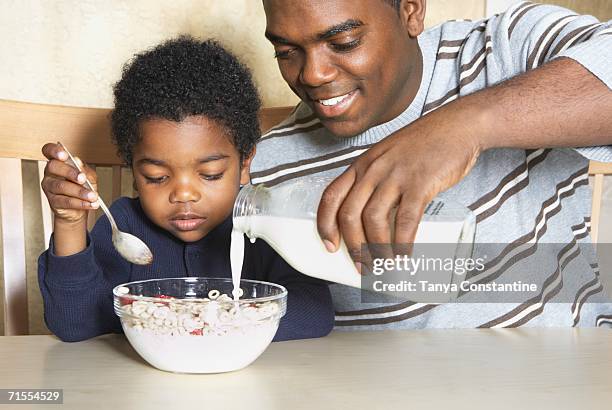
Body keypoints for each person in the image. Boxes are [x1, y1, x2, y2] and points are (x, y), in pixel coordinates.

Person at [252, 0, 612, 329]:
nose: (313, 74)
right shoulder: (269, 175)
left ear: (411, 10)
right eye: (285, 52)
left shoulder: (507, 51)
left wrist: (466, 125)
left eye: (344, 42)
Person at [38, 36, 334, 342]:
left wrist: (206, 322)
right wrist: (70, 223)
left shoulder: (264, 227)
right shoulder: (125, 225)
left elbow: (315, 313)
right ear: (134, 170)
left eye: (210, 174)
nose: (184, 194)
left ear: (244, 163)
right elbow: (74, 324)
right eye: (155, 176)